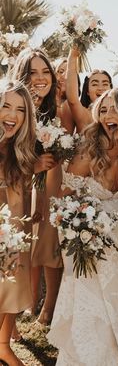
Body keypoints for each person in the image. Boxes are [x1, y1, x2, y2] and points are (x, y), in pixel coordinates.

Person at [47, 88, 118, 366]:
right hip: (93, 246)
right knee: (94, 312)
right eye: (103, 110)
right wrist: (82, 227)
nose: (108, 116)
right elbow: (63, 198)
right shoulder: (88, 151)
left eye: (115, 109)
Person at [13, 48, 63, 325]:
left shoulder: (56, 110)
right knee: (16, 249)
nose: (41, 78)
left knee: (45, 244)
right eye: (33, 72)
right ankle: (14, 314)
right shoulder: (11, 106)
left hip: (46, 187)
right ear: (22, 75)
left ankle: (46, 306)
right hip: (14, 187)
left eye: (46, 72)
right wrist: (32, 166)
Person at [0, 80, 36, 366]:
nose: (12, 115)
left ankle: (2, 345)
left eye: (20, 110)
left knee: (10, 288)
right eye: (6, 106)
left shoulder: (19, 150)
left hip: (14, 231)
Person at [62, 46, 112, 134]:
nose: (101, 88)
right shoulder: (84, 115)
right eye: (95, 84)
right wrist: (72, 57)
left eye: (105, 84)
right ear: (87, 91)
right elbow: (73, 100)